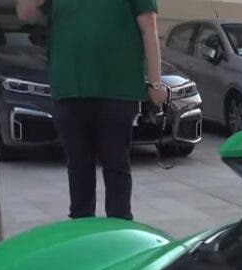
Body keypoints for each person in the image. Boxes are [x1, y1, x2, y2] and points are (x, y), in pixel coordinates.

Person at [16, 0, 167, 221]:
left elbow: (149, 28)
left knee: (116, 166)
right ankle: (83, 235)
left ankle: (119, 232)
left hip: (116, 89)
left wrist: (155, 82)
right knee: (78, 169)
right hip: (70, 88)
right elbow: (26, 14)